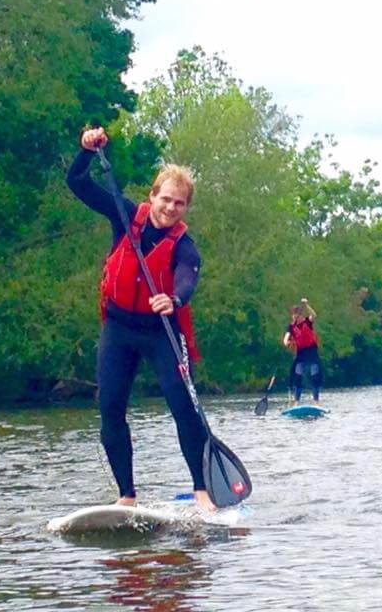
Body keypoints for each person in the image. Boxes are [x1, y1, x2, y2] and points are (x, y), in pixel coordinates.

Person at [66, 126, 216, 511]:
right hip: (118, 329)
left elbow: (187, 276)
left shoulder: (185, 246)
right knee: (111, 409)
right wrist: (86, 150)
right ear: (152, 197)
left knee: (183, 407)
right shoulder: (126, 215)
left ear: (186, 208)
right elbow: (77, 183)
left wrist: (175, 297)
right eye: (166, 199)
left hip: (161, 332)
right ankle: (127, 496)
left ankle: (202, 492)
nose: (170, 208)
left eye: (179, 204)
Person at [283, 298, 322, 403]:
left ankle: (316, 401)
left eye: (297, 315)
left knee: (314, 375)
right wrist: (286, 342)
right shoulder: (291, 327)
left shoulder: (307, 322)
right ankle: (296, 400)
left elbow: (314, 315)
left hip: (312, 351)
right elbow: (286, 336)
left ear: (300, 315)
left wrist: (306, 305)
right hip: (301, 353)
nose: (295, 316)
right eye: (293, 315)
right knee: (298, 375)